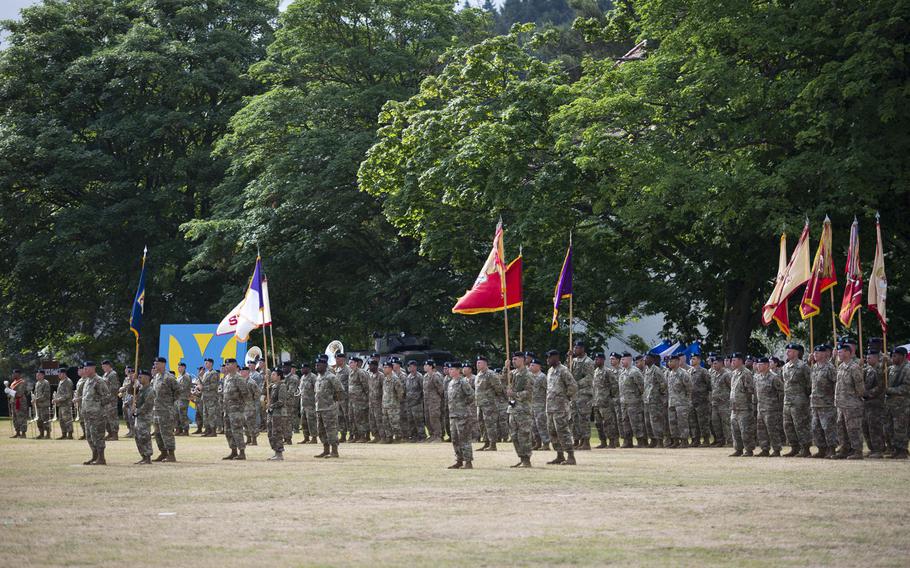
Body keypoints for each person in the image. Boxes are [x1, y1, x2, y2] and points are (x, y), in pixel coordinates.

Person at [545, 349, 578, 465]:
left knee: (563, 431)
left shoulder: (563, 370)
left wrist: (566, 398)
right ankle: (559, 455)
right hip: (550, 407)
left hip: (560, 408)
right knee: (552, 432)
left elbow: (573, 386)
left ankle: (570, 456)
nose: (547, 360)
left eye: (549, 357)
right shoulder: (550, 371)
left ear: (556, 358)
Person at [833, 343, 865, 459]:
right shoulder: (841, 366)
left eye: (841, 352)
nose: (838, 354)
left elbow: (860, 388)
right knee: (841, 428)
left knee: (853, 428)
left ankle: (857, 451)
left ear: (848, 352)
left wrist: (853, 399)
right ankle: (844, 449)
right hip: (841, 404)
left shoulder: (854, 367)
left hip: (852, 404)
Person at [810, 344, 838, 459]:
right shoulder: (815, 367)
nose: (815, 355)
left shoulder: (829, 367)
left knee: (828, 427)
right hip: (815, 403)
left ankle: (831, 449)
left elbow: (836, 383)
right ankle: (821, 449)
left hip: (826, 403)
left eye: (817, 353)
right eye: (814, 353)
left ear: (823, 354)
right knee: (816, 427)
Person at [446, 361, 475, 469]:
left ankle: (468, 462)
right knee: (455, 439)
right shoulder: (451, 382)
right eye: (449, 369)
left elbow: (471, 396)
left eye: (452, 369)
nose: (450, 371)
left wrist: (463, 406)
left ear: (458, 370)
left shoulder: (463, 382)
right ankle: (459, 460)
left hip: (463, 415)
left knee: (464, 439)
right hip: (453, 415)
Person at [753, 356, 784, 457]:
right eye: (758, 364)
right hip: (760, 408)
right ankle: (765, 449)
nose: (758, 366)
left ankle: (776, 449)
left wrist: (778, 406)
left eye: (761, 364)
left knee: (772, 430)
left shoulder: (774, 377)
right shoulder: (757, 377)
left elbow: (781, 392)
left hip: (772, 409)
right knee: (761, 430)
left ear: (767, 365)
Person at [314, 356, 344, 458]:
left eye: (319, 365)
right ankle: (326, 450)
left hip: (329, 409)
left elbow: (340, 390)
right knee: (321, 431)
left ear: (325, 365)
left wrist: (334, 401)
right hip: (319, 408)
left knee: (331, 430)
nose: (317, 367)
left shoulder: (331, 377)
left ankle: (334, 451)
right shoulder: (318, 377)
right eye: (316, 365)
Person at [80, 361, 109, 465]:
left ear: (93, 368)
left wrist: (97, 405)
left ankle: (101, 458)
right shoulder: (87, 381)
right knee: (89, 436)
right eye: (84, 369)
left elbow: (106, 397)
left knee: (98, 436)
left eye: (86, 368)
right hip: (88, 415)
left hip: (97, 415)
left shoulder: (99, 381)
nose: (85, 370)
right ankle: (94, 457)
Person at [221, 358, 250, 460]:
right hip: (227, 410)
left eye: (228, 364)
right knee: (228, 431)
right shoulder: (227, 378)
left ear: (234, 365)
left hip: (236, 410)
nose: (226, 366)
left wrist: (241, 407)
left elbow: (246, 394)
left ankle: (242, 452)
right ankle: (233, 451)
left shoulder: (239, 378)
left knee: (237, 431)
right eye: (226, 365)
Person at [508, 352, 533, 468]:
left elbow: (529, 392)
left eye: (515, 359)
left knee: (524, 435)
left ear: (522, 360)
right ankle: (521, 457)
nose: (513, 361)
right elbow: (501, 381)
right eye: (512, 359)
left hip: (523, 409)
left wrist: (514, 394)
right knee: (514, 436)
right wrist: (505, 368)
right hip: (513, 409)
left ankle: (526, 459)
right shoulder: (512, 373)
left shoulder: (528, 374)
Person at [151, 357, 179, 462]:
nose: (155, 366)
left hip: (166, 410)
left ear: (163, 364)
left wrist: (170, 403)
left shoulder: (169, 377)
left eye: (157, 364)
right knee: (157, 433)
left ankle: (171, 454)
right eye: (155, 364)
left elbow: (178, 391)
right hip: (156, 410)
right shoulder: (156, 377)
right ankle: (163, 453)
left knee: (166, 432)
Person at [884, 346, 910, 459]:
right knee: (890, 428)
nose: (893, 358)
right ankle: (895, 449)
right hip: (890, 405)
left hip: (902, 405)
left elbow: (906, 387)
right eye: (892, 356)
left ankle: (902, 450)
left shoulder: (907, 369)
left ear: (903, 356)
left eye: (895, 356)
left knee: (901, 428)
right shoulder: (892, 368)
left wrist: (890, 390)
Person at [728, 353, 756, 457]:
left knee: (745, 430)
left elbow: (750, 391)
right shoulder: (734, 373)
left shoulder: (746, 373)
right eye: (732, 360)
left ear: (740, 361)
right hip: (734, 408)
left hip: (744, 407)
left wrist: (748, 404)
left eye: (734, 360)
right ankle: (738, 449)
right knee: (735, 430)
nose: (732, 362)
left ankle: (749, 450)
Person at [570, 340, 595, 451]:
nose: (575, 349)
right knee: (575, 418)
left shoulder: (588, 361)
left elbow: (589, 378)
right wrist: (568, 359)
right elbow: (568, 373)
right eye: (574, 347)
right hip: (574, 395)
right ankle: (576, 440)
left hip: (584, 394)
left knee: (583, 418)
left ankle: (586, 441)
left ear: (582, 349)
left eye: (577, 348)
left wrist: (576, 384)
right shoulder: (573, 361)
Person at [475, 356, 503, 451]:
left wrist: (491, 397)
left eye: (480, 362)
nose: (477, 364)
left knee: (490, 424)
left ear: (485, 363)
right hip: (480, 403)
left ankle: (493, 444)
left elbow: (498, 388)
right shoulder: (479, 374)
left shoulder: (490, 374)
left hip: (489, 404)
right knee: (482, 424)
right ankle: (486, 442)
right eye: (477, 362)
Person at [592, 353, 620, 448]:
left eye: (598, 359)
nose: (596, 361)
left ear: (603, 360)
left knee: (608, 423)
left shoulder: (607, 371)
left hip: (606, 402)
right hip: (596, 402)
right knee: (598, 423)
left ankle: (612, 442)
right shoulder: (595, 371)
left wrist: (610, 397)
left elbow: (614, 386)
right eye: (595, 359)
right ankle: (603, 441)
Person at [862, 350, 886, 458]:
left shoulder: (879, 370)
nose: (867, 359)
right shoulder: (867, 370)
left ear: (876, 358)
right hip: (866, 403)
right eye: (867, 357)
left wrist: (868, 394)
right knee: (866, 427)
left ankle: (879, 450)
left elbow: (880, 386)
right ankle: (872, 449)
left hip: (876, 402)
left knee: (875, 427)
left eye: (870, 357)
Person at [619, 354, 646, 448]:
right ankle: (628, 441)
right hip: (624, 402)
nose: (621, 361)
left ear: (630, 360)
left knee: (636, 422)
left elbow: (642, 387)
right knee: (625, 422)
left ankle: (640, 441)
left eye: (623, 359)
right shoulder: (622, 372)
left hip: (634, 402)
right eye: (621, 360)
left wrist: (636, 397)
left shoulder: (635, 372)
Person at [688, 354, 712, 446]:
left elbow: (709, 385)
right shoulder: (689, 371)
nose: (691, 360)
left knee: (703, 422)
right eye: (691, 359)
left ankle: (706, 440)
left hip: (702, 401)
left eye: (693, 359)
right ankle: (695, 440)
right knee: (693, 422)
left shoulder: (703, 372)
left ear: (699, 360)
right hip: (692, 400)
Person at [643, 354, 667, 448]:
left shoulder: (656, 370)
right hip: (647, 400)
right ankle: (653, 440)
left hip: (655, 400)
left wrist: (658, 394)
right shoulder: (647, 370)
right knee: (648, 422)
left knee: (656, 421)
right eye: (645, 358)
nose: (645, 360)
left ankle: (659, 441)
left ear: (652, 360)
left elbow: (663, 384)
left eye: (647, 358)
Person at [132, 369, 155, 465]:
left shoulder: (150, 390)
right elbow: (130, 391)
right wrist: (132, 381)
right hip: (139, 416)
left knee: (144, 436)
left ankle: (148, 457)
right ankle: (143, 456)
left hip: (145, 416)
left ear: (147, 378)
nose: (139, 379)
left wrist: (137, 411)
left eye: (141, 377)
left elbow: (147, 405)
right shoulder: (140, 389)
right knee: (138, 437)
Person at [529, 357, 551, 451]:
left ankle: (546, 443)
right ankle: (537, 443)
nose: (530, 367)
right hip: (532, 405)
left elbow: (548, 390)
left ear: (539, 367)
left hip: (541, 405)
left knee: (541, 425)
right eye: (530, 365)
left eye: (533, 365)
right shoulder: (530, 376)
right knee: (533, 426)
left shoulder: (542, 377)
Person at [266, 369, 289, 461]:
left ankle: (279, 453)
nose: (272, 376)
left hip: (278, 414)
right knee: (271, 433)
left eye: (274, 374)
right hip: (272, 413)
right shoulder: (273, 386)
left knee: (277, 433)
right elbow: (264, 392)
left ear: (279, 376)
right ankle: (275, 451)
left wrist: (271, 405)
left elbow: (281, 401)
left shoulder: (282, 386)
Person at [347, 356, 370, 442]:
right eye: (349, 363)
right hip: (352, 400)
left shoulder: (360, 373)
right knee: (353, 418)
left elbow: (366, 386)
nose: (350, 364)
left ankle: (363, 436)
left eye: (352, 362)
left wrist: (367, 399)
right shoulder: (351, 373)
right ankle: (356, 436)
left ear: (356, 363)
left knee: (361, 419)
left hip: (360, 400)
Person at [381, 361, 404, 443]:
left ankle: (398, 437)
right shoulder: (385, 378)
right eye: (384, 367)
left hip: (393, 405)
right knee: (386, 422)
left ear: (391, 368)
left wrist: (395, 402)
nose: (384, 369)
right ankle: (389, 437)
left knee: (394, 423)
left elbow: (400, 393)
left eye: (386, 367)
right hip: (385, 405)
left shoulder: (395, 379)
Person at [422, 360, 445, 442]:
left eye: (426, 365)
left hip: (435, 402)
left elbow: (441, 390)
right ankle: (432, 435)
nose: (424, 367)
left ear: (431, 366)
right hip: (427, 401)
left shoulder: (436, 376)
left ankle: (438, 436)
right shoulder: (425, 376)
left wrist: (437, 399)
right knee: (428, 419)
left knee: (434, 418)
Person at [405, 360, 425, 442]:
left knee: (418, 420)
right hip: (409, 403)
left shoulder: (419, 377)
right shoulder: (408, 377)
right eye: (409, 366)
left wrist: (420, 400)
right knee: (411, 421)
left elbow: (423, 389)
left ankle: (422, 436)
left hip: (417, 403)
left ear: (415, 367)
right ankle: (414, 436)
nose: (410, 368)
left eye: (412, 366)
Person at [201, 358, 222, 437]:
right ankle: (207, 430)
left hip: (211, 397)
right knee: (205, 414)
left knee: (211, 414)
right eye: (205, 363)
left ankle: (213, 431)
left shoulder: (214, 373)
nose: (205, 364)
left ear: (211, 364)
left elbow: (214, 385)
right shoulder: (206, 373)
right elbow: (203, 384)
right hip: (205, 397)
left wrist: (203, 387)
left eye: (206, 363)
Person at [298, 362, 317, 444]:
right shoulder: (302, 377)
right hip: (303, 403)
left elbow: (317, 389)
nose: (302, 370)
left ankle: (314, 437)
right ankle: (306, 437)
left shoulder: (313, 377)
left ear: (309, 369)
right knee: (303, 421)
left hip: (311, 403)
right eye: (302, 368)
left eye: (304, 368)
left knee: (311, 421)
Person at [333, 352, 350, 443]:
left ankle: (352, 435)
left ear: (342, 359)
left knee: (347, 416)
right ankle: (343, 435)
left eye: (338, 359)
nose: (336, 360)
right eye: (336, 358)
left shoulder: (347, 370)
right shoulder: (337, 370)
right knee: (340, 417)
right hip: (338, 398)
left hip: (346, 397)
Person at [100, 360, 120, 440]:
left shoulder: (113, 374)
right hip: (105, 400)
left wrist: (108, 395)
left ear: (108, 366)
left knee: (112, 417)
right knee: (106, 417)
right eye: (102, 367)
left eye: (104, 366)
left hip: (111, 400)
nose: (103, 368)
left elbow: (115, 387)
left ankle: (115, 435)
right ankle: (110, 433)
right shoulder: (105, 374)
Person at [367, 357, 384, 443]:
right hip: (371, 402)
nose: (369, 367)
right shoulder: (370, 375)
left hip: (379, 402)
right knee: (372, 420)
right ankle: (376, 436)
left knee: (379, 420)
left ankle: (382, 437)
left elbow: (384, 389)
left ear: (375, 366)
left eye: (371, 365)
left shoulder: (381, 376)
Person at [53, 368, 74, 439]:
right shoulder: (61, 381)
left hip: (66, 404)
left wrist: (58, 399)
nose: (58, 375)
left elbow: (68, 394)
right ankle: (64, 434)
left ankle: (70, 434)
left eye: (60, 373)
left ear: (64, 374)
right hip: (61, 404)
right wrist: (55, 399)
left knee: (67, 419)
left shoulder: (68, 382)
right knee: (61, 420)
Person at [242, 365, 261, 446]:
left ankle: (254, 440)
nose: (241, 372)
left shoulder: (251, 382)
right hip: (243, 406)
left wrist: (252, 400)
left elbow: (257, 393)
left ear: (247, 372)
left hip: (250, 406)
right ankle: (248, 439)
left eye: (243, 371)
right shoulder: (242, 382)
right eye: (241, 371)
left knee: (251, 423)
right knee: (245, 423)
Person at [6, 369, 28, 437]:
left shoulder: (22, 382)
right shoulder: (13, 383)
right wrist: (7, 391)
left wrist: (10, 391)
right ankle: (17, 432)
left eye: (15, 374)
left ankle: (23, 433)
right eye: (13, 374)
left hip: (20, 402)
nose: (13, 375)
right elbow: (10, 394)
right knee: (15, 417)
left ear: (19, 374)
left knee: (21, 417)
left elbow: (19, 393)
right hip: (13, 402)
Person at [175, 362, 192, 436]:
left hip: (184, 398)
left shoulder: (186, 376)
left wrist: (175, 389)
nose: (179, 368)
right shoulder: (179, 376)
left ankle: (186, 430)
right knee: (177, 414)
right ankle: (179, 429)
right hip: (178, 398)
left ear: (184, 367)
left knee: (183, 414)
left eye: (180, 367)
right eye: (178, 367)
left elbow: (183, 387)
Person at [33, 370, 52, 439]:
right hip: (38, 406)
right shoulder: (37, 383)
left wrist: (37, 399)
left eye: (38, 375)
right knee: (39, 420)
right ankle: (41, 434)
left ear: (42, 375)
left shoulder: (45, 383)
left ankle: (48, 434)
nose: (37, 376)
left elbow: (46, 395)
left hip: (44, 405)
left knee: (45, 420)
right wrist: (34, 399)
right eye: (36, 375)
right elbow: (35, 394)